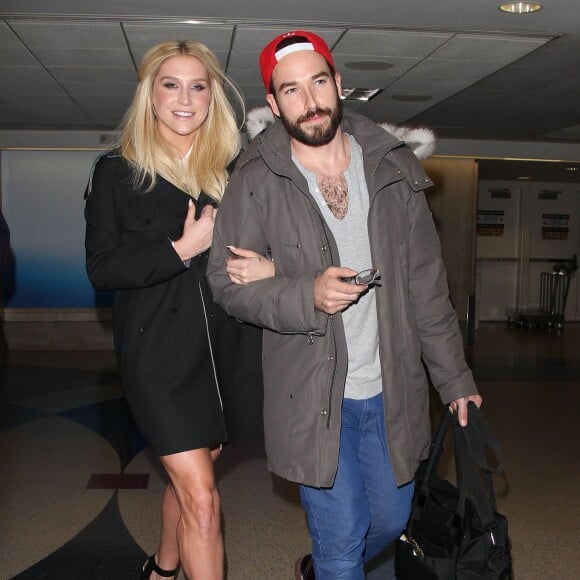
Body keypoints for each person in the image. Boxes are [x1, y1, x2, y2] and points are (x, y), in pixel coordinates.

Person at [207, 30, 482, 580]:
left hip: (391, 388)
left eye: (317, 83)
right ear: (273, 103)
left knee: (389, 516)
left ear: (339, 84)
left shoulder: (393, 168)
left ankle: (327, 566)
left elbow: (427, 287)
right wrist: (303, 291)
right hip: (312, 393)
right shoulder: (256, 180)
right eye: (290, 91)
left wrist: (454, 379)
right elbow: (227, 284)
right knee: (340, 537)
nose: (308, 102)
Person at [84, 40, 273, 580]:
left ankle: (164, 568)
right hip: (158, 358)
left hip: (227, 351)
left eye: (198, 86)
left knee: (195, 483)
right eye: (171, 84)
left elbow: (270, 246)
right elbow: (102, 268)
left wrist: (267, 262)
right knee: (204, 500)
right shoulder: (117, 171)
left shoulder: (236, 171)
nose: (185, 98)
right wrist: (182, 248)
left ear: (212, 97)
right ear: (151, 94)